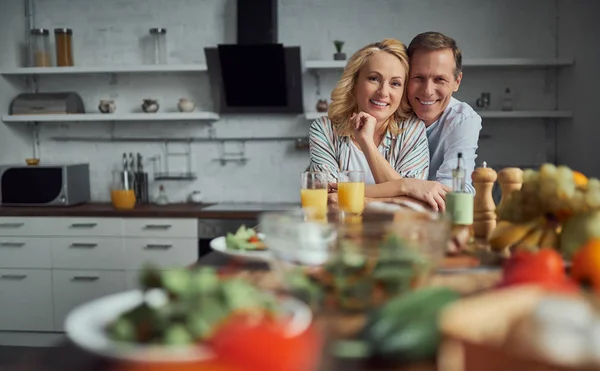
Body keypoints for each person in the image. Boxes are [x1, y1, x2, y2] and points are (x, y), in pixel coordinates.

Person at [308, 38, 450, 211]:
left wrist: (367, 143)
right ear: (354, 83)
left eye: (395, 83)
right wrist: (404, 186)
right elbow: (328, 201)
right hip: (341, 234)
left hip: (396, 236)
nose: (383, 92)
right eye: (374, 78)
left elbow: (414, 207)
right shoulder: (324, 129)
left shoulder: (412, 130)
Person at [406, 31, 482, 194]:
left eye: (440, 79)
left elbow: (456, 190)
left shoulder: (463, 119)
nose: (427, 91)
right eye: (418, 78)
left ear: (457, 82)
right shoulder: (387, 111)